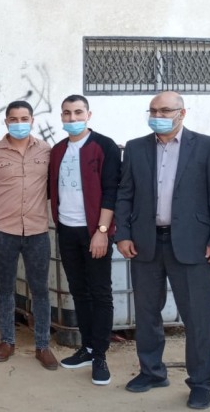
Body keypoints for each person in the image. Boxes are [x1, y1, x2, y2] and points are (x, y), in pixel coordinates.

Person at [115, 91, 210, 410]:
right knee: (147, 312)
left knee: (197, 316)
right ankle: (152, 372)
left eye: (165, 110)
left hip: (192, 243)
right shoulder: (136, 148)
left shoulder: (206, 146)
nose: (158, 116)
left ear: (182, 113)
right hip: (145, 242)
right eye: (153, 110)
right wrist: (122, 234)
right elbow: (125, 194)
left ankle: (201, 382)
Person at [46, 95, 121, 386]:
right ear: (61, 117)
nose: (72, 118)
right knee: (79, 291)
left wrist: (102, 231)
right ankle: (87, 348)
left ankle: (100, 355)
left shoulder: (104, 146)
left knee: (100, 292)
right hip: (67, 230)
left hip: (95, 231)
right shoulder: (58, 150)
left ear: (89, 114)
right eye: (67, 113)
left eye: (78, 112)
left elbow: (111, 190)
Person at [0, 101, 56, 369]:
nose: (19, 123)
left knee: (40, 290)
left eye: (24, 118)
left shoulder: (47, 151)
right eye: (14, 119)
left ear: (32, 120)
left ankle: (42, 345)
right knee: (5, 288)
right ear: (6, 122)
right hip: (4, 231)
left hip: (37, 231)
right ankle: (7, 340)